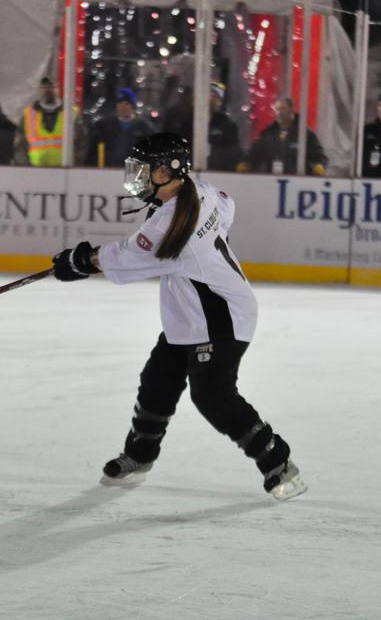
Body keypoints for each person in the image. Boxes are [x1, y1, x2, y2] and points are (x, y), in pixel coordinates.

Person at [50, 133, 307, 501]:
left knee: (212, 396)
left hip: (221, 318)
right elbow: (227, 208)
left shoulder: (172, 224)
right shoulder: (200, 191)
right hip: (191, 313)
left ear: (169, 170)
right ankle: (139, 456)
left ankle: (278, 463)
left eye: (145, 170)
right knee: (157, 381)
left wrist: (81, 261)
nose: (138, 177)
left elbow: (127, 257)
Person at [240, 98, 326, 176]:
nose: (279, 113)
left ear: (292, 110)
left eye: (283, 109)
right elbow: (256, 153)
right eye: (277, 109)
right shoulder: (268, 133)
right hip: (272, 181)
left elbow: (319, 155)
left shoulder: (304, 134)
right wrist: (247, 163)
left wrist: (319, 165)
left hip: (297, 181)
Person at [14, 76, 86, 166]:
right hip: (36, 170)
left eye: (52, 86)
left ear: (58, 89)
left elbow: (81, 143)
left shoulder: (71, 113)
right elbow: (20, 146)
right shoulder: (28, 115)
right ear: (39, 89)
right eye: (44, 87)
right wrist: (25, 168)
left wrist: (74, 166)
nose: (48, 90)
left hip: (65, 169)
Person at [88, 87, 154, 167]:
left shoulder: (144, 127)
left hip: (135, 171)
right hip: (108, 171)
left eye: (127, 104)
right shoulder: (103, 126)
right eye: (120, 103)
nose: (123, 107)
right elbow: (93, 153)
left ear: (133, 106)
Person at [207, 81, 241, 172]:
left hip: (218, 172)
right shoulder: (191, 121)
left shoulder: (228, 125)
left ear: (220, 101)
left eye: (215, 97)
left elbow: (233, 153)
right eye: (210, 95)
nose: (211, 100)